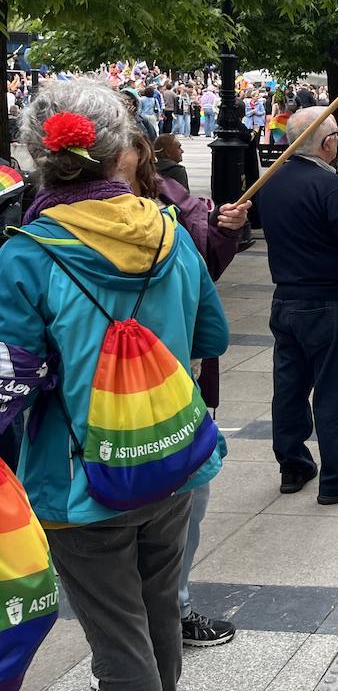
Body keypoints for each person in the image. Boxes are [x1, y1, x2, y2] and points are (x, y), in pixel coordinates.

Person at [0, 79, 230, 690]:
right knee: (158, 613)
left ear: (38, 157)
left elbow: (10, 381)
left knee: (117, 635)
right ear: (115, 150)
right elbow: (213, 337)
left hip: (79, 482)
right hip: (171, 460)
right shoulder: (170, 231)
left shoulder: (26, 256)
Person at [117, 134, 250, 650]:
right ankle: (146, 627)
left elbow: (205, 294)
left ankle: (173, 609)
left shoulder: (172, 206)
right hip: (104, 397)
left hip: (174, 383)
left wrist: (223, 231)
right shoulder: (49, 238)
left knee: (187, 496)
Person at [256, 108, 338, 504]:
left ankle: (293, 463)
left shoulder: (272, 181)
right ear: (327, 143)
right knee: (334, 388)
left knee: (290, 386)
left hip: (287, 298)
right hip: (329, 302)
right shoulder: (331, 186)